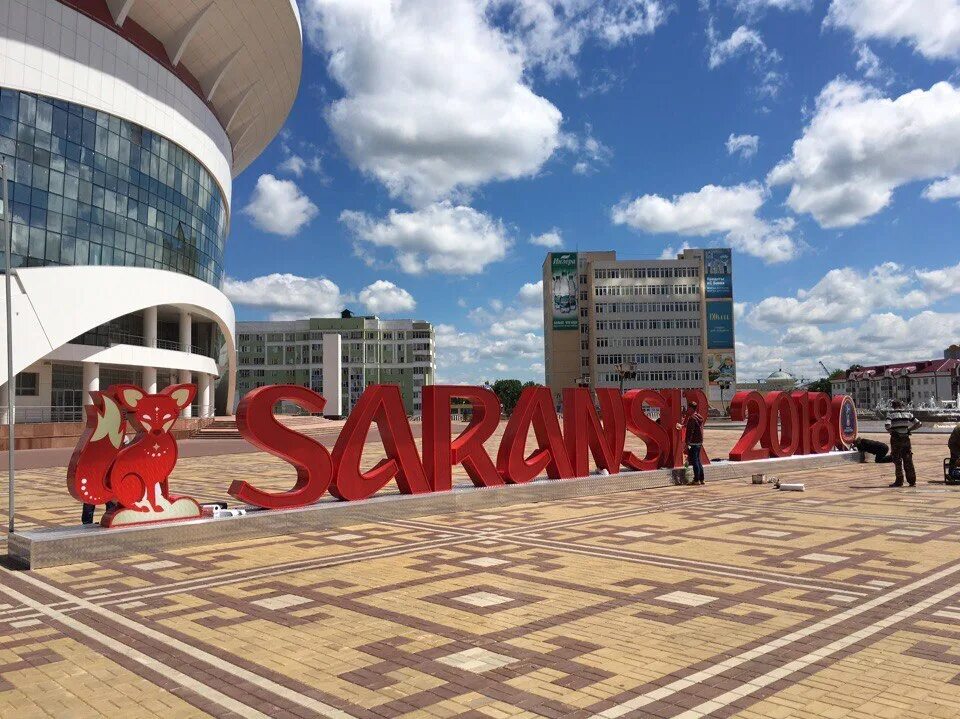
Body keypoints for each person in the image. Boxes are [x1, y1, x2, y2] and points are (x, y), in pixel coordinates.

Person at [884, 401, 921, 487]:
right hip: (906, 439)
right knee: (908, 459)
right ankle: (912, 480)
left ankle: (899, 480)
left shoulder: (891, 414)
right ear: (901, 405)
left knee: (897, 460)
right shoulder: (907, 413)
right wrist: (909, 430)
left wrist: (893, 432)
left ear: (893, 406)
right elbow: (919, 423)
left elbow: (887, 426)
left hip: (896, 440)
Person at [677, 401, 705, 485]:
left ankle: (696, 480)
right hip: (699, 441)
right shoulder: (699, 417)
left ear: (691, 408)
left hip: (693, 442)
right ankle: (701, 479)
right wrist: (683, 426)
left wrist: (687, 443)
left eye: (688, 408)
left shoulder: (692, 418)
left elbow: (690, 431)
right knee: (698, 460)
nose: (687, 410)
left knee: (695, 461)